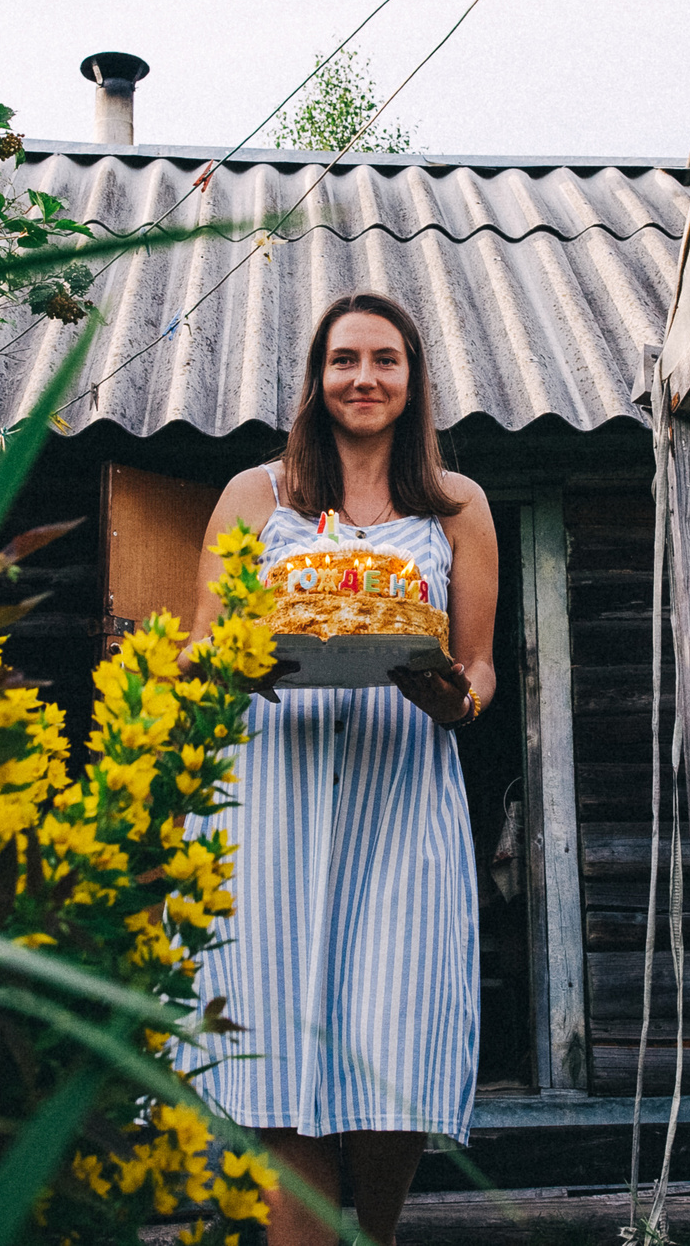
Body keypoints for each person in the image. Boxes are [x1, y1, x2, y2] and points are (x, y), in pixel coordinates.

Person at [189, 291, 498, 1246]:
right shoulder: (258, 495)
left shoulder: (458, 506)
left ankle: (382, 1229)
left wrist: (459, 700)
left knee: (395, 1033)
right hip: (270, 796)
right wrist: (245, 656)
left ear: (413, 380)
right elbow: (206, 646)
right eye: (344, 360)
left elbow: (478, 663)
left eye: (385, 360)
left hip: (400, 792)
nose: (364, 377)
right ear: (317, 379)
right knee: (274, 1026)